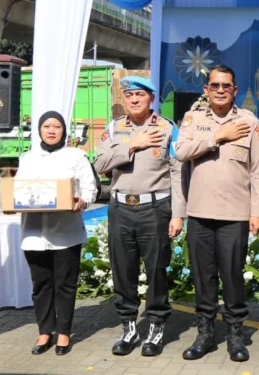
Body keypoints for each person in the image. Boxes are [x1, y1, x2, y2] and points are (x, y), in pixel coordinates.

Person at [174, 65, 259, 363]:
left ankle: (235, 334)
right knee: (203, 277)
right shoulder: (193, 119)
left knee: (232, 276)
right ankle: (205, 334)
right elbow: (181, 151)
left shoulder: (249, 121)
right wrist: (218, 135)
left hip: (235, 214)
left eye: (226, 85)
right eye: (214, 85)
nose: (220, 90)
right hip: (200, 212)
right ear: (206, 89)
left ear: (235, 89)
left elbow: (257, 171)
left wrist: (258, 212)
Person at [93, 76, 185, 357]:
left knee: (156, 270)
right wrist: (132, 144)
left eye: (140, 95)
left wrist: (178, 214)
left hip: (155, 209)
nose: (133, 100)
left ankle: (156, 327)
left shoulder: (168, 129)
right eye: (129, 95)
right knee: (123, 270)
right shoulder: (115, 128)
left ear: (151, 99)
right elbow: (99, 164)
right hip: (121, 208)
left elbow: (178, 173)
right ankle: (129, 327)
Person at [16, 111, 97, 355]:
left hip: (67, 231)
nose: (51, 130)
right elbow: (18, 190)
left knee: (65, 284)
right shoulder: (27, 158)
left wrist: (82, 201)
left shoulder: (77, 156)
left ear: (64, 131)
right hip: (34, 232)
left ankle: (63, 333)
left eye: (57, 126)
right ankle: (44, 332)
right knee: (41, 284)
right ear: (39, 130)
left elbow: (90, 189)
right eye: (47, 126)